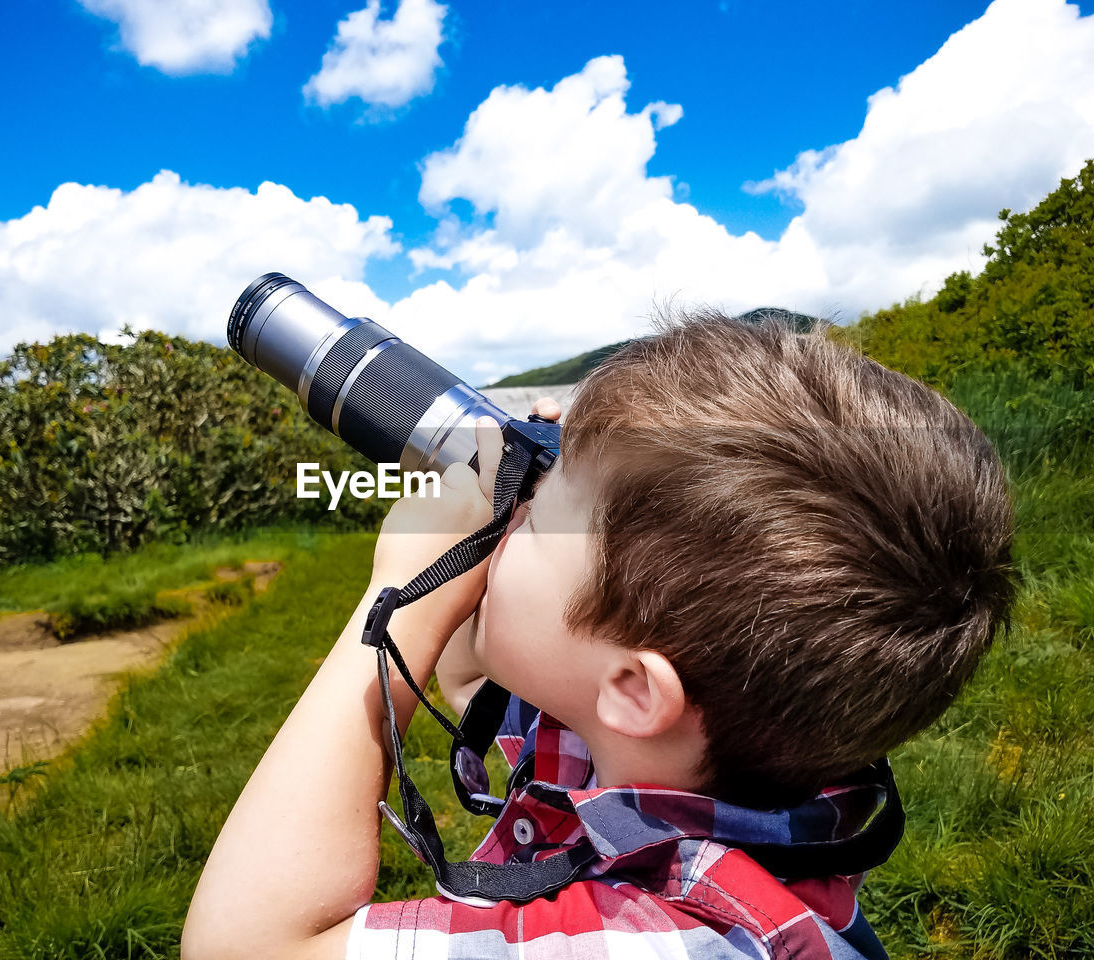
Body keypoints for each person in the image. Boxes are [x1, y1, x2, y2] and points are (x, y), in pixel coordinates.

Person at [181, 313, 1016, 959]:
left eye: (537, 519)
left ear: (634, 689)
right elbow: (474, 683)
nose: (512, 506)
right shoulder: (723, 754)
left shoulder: (660, 942)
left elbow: (246, 946)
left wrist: (394, 604)